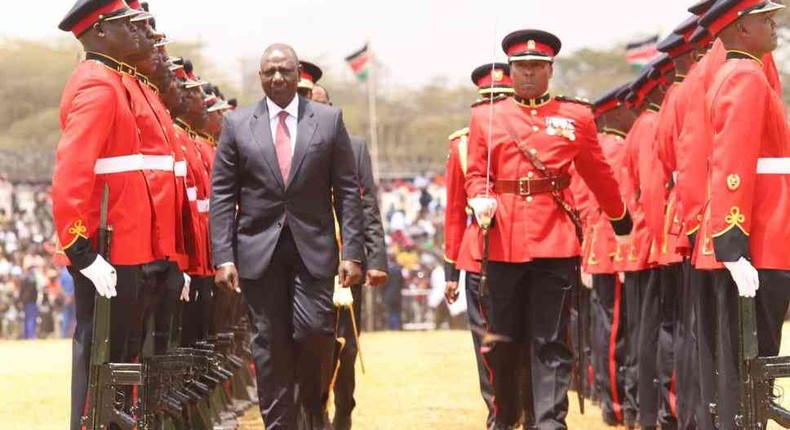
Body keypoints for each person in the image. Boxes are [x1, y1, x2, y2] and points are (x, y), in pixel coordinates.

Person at [464, 29, 633, 429]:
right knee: (503, 341)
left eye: (536, 67)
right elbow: (475, 170)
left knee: (551, 340)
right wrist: (479, 195)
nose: (528, 74)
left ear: (550, 70)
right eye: (521, 67)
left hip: (554, 240)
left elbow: (598, 172)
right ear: (509, 71)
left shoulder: (575, 115)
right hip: (502, 238)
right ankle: (504, 417)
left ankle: (550, 421)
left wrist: (620, 217)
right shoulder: (486, 115)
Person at [210, 43, 363, 430]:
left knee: (316, 331)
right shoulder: (238, 125)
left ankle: (313, 404)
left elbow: (347, 190)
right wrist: (223, 256)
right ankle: (279, 424)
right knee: (269, 345)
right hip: (259, 255)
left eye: (284, 70)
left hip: (314, 251)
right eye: (269, 72)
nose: (277, 77)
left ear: (298, 75)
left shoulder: (328, 121)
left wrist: (354, 253)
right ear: (260, 78)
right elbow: (223, 195)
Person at [54, 1, 157, 428]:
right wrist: (81, 250)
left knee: (117, 354)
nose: (136, 33)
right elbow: (71, 173)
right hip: (104, 246)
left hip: (126, 242)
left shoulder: (114, 81)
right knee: (98, 353)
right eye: (124, 25)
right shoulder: (98, 85)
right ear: (98, 30)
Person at [693, 1, 788, 428]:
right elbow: (733, 162)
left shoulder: (741, 74)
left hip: (763, 233)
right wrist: (733, 243)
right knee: (750, 361)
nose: (774, 23)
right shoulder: (746, 77)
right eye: (764, 18)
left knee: (745, 362)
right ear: (740, 28)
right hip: (760, 239)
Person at [445, 62, 537, 429]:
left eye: (502, 98)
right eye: (490, 100)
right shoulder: (463, 145)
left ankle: (530, 410)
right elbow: (454, 210)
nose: (496, 106)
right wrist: (451, 268)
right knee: (487, 341)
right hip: (479, 253)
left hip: (524, 248)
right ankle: (497, 411)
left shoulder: (533, 134)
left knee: (529, 335)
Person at [309, 81, 389, 430]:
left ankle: (343, 413)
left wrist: (376, 261)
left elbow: (367, 206)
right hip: (305, 264)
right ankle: (314, 415)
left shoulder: (354, 148)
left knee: (346, 349)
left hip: (346, 266)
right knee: (311, 345)